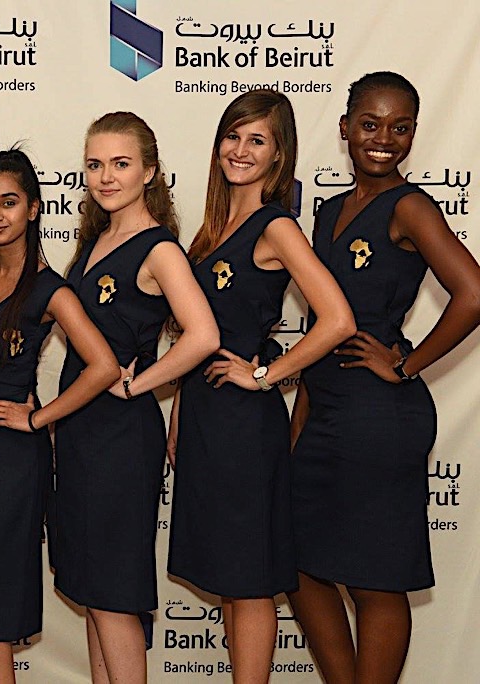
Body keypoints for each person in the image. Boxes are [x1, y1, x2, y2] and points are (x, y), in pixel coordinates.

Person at [287, 72, 480, 683]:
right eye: (370, 124)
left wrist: (405, 364)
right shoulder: (326, 212)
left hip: (379, 418)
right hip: (323, 410)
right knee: (298, 564)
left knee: (375, 580)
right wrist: (299, 423)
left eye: (400, 128)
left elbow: (473, 294)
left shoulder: (410, 206)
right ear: (345, 129)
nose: (383, 139)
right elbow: (319, 326)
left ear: (413, 135)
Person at [166, 89, 355, 683]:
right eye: (233, 136)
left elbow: (338, 320)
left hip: (244, 429)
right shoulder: (212, 229)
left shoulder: (276, 225)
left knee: (247, 582)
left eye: (257, 140)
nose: (240, 150)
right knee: (229, 577)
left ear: (279, 155)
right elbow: (196, 338)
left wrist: (265, 374)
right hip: (205, 417)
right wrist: (179, 415)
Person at [0, 148, 119, 684]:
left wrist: (38, 419)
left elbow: (104, 366)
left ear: (34, 209)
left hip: (12, 456)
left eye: (9, 202)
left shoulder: (49, 288)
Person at [53, 112, 219, 684]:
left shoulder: (160, 249)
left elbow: (203, 336)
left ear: (149, 171)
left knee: (114, 593)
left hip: (121, 439)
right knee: (94, 591)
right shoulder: (96, 240)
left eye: (120, 164)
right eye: (95, 165)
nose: (106, 177)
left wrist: (136, 384)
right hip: (81, 430)